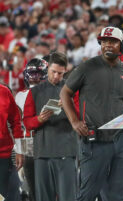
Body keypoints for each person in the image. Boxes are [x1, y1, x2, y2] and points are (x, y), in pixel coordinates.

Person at [60, 26, 123, 201]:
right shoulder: (87, 67)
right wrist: (74, 121)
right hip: (94, 138)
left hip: (120, 139)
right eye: (104, 42)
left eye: (113, 42)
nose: (108, 45)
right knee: (88, 192)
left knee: (119, 194)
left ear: (122, 45)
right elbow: (65, 93)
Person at [23, 52, 77, 201]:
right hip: (42, 153)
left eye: (60, 73)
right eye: (53, 72)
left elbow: (81, 115)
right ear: (47, 70)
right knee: (43, 197)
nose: (56, 76)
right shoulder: (34, 92)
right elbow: (27, 122)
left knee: (68, 197)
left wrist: (69, 105)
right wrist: (40, 119)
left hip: (66, 151)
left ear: (65, 71)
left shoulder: (72, 91)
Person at [14, 58, 48, 201]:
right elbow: (18, 125)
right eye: (32, 73)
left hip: (49, 142)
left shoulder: (53, 92)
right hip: (28, 143)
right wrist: (19, 150)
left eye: (37, 73)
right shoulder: (20, 95)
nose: (34, 77)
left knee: (49, 188)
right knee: (33, 189)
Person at [0, 83, 23, 199]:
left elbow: (16, 120)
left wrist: (19, 150)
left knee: (10, 195)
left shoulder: (4, 92)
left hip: (3, 155)